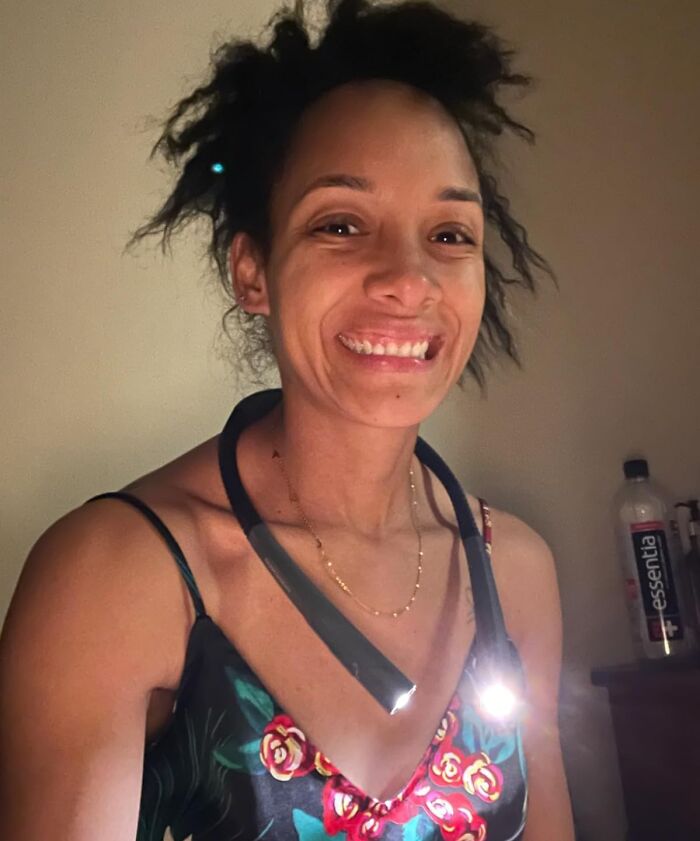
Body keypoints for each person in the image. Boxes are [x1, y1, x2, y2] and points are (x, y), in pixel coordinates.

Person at [0, 0, 575, 838]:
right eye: (341, 224)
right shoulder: (115, 577)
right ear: (254, 272)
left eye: (450, 234)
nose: (409, 278)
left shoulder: (516, 572)